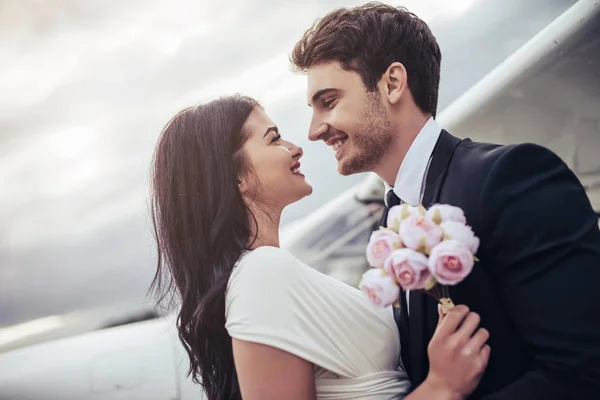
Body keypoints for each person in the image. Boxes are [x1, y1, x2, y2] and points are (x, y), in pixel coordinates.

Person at [290, 2, 600, 399]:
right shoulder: (391, 222)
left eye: (328, 101)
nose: (314, 131)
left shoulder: (510, 178)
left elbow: (584, 372)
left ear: (392, 83)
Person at [149, 95, 490, 400]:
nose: (295, 147)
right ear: (236, 177)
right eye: (274, 139)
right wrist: (441, 387)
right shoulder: (260, 273)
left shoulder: (266, 272)